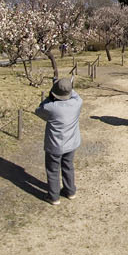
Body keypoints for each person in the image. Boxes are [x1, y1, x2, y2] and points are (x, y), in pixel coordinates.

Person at [35, 77, 82, 205]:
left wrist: (51, 94)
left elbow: (38, 110)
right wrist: (67, 87)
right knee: (68, 166)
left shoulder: (50, 107)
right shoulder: (77, 103)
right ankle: (70, 191)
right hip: (72, 143)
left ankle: (54, 197)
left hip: (55, 146)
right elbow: (75, 94)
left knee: (53, 170)